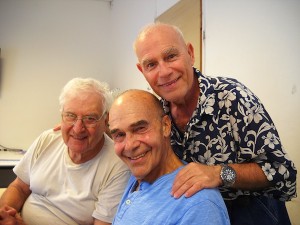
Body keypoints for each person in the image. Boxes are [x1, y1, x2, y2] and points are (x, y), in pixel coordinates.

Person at [133, 22, 297, 225]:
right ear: (142, 71)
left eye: (171, 56)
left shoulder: (233, 98)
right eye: (151, 64)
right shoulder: (157, 112)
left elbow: (282, 172)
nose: (164, 71)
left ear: (190, 53)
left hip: (254, 215)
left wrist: (219, 173)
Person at [0, 78, 131, 225]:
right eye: (71, 116)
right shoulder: (48, 139)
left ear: (105, 120)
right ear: (62, 115)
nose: (78, 128)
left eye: (90, 118)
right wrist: (5, 214)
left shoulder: (117, 166)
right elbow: (19, 187)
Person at [108, 89, 230, 225]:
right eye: (119, 135)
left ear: (165, 126)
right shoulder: (140, 173)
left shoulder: (198, 204)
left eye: (140, 128)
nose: (129, 146)